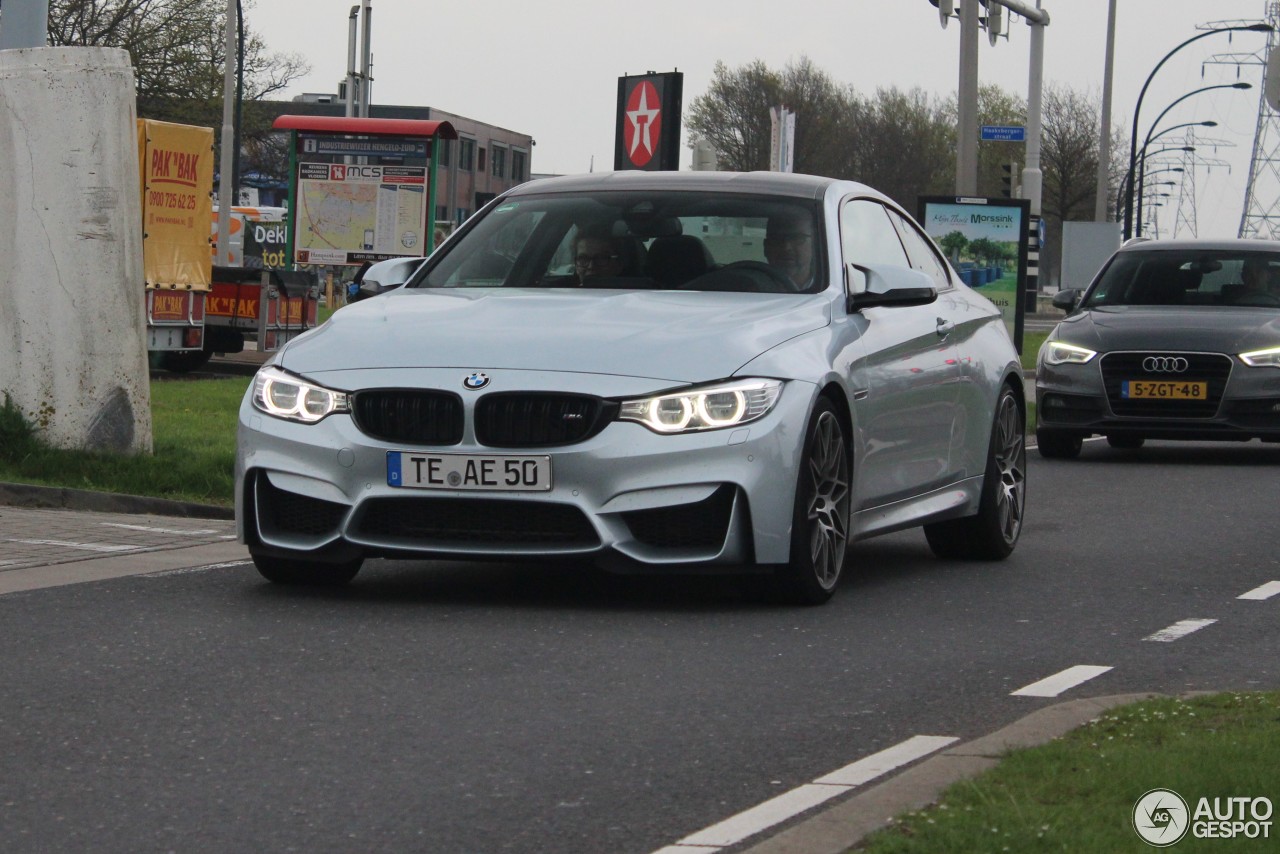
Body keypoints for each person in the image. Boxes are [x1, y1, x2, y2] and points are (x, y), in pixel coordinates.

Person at [763, 210, 816, 289]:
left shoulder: (829, 288)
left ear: (814, 245)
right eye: (777, 239)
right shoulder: (751, 290)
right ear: (766, 246)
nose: (786, 247)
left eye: (797, 238)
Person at [572, 228, 640, 285]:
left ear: (619, 265)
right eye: (583, 259)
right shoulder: (564, 295)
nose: (591, 266)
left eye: (601, 258)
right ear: (576, 266)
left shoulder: (633, 299)